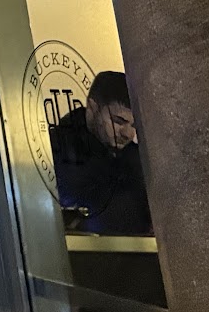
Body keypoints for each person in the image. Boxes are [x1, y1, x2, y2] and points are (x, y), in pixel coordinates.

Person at [50, 70, 151, 234]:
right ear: (92, 109)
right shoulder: (58, 151)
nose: (128, 133)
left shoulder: (138, 161)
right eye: (118, 121)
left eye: (134, 125)